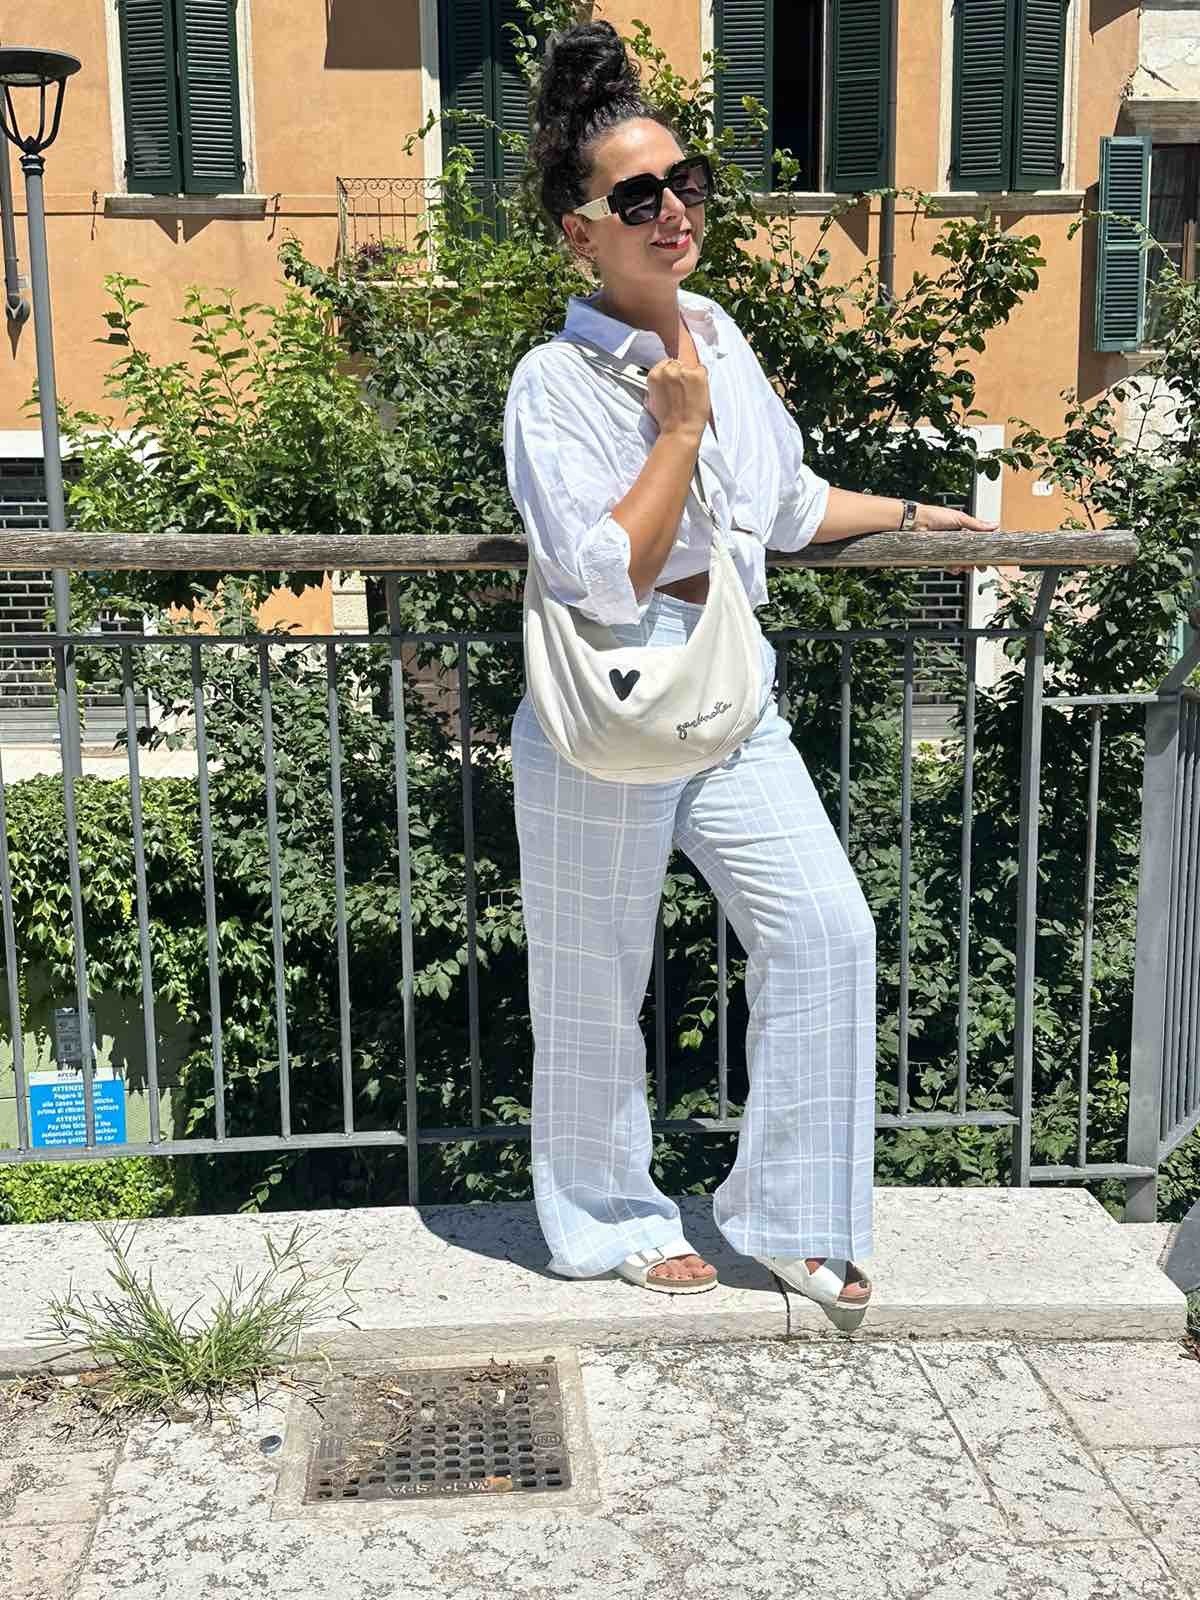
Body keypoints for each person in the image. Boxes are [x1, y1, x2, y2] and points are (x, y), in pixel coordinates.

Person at [502, 21, 996, 1324]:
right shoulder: (550, 384)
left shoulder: (716, 330)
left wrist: (916, 513)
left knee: (827, 929)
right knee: (595, 980)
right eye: (637, 197)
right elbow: (602, 573)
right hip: (608, 709)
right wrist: (675, 427)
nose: (673, 212)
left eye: (686, 185)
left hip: (725, 692)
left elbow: (780, 508)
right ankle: (610, 1221)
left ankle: (786, 1213)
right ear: (580, 234)